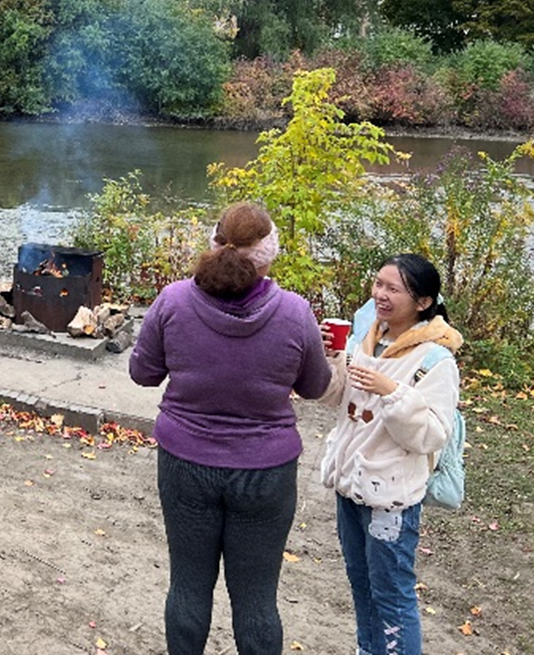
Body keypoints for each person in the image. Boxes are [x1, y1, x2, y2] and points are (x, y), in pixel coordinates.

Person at [129, 201, 332, 655]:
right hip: (266, 472)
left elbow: (142, 373)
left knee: (188, 587)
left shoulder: (173, 300)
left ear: (214, 243)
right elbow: (317, 386)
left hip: (185, 464)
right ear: (268, 254)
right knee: (257, 602)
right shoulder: (295, 313)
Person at [319, 254, 462, 655]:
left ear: (422, 302)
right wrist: (327, 360)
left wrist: (392, 392)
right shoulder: (363, 338)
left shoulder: (436, 360)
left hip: (391, 500)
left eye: (393, 288)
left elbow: (432, 435)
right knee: (360, 582)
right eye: (378, 284)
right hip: (349, 484)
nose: (380, 295)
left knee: (394, 594)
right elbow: (333, 398)